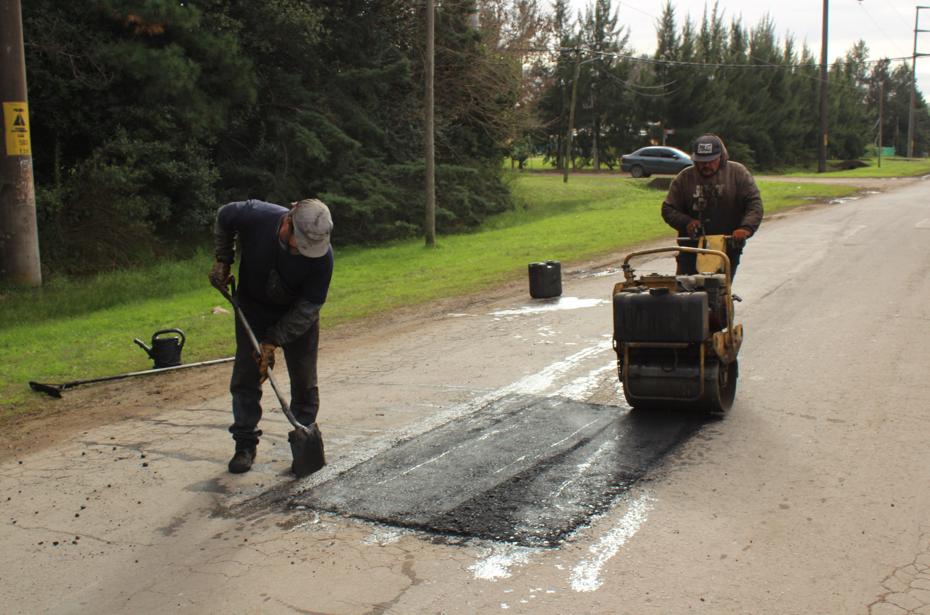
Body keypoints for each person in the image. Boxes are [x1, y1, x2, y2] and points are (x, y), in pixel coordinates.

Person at [209, 198, 334, 474]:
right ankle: (244, 443)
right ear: (287, 224)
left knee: (304, 382)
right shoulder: (255, 215)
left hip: (296, 318)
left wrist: (273, 340)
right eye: (299, 245)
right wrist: (223, 258)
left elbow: (308, 309)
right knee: (245, 377)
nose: (304, 253)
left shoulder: (322, 257)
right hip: (252, 311)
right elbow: (224, 218)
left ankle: (304, 440)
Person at [661, 134, 763, 280]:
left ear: (721, 157)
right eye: (702, 161)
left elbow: (754, 204)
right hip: (691, 247)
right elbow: (668, 209)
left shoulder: (737, 173)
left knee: (718, 292)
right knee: (685, 293)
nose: (706, 165)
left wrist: (746, 228)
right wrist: (686, 222)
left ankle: (723, 303)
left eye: (711, 160)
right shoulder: (685, 177)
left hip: (727, 247)